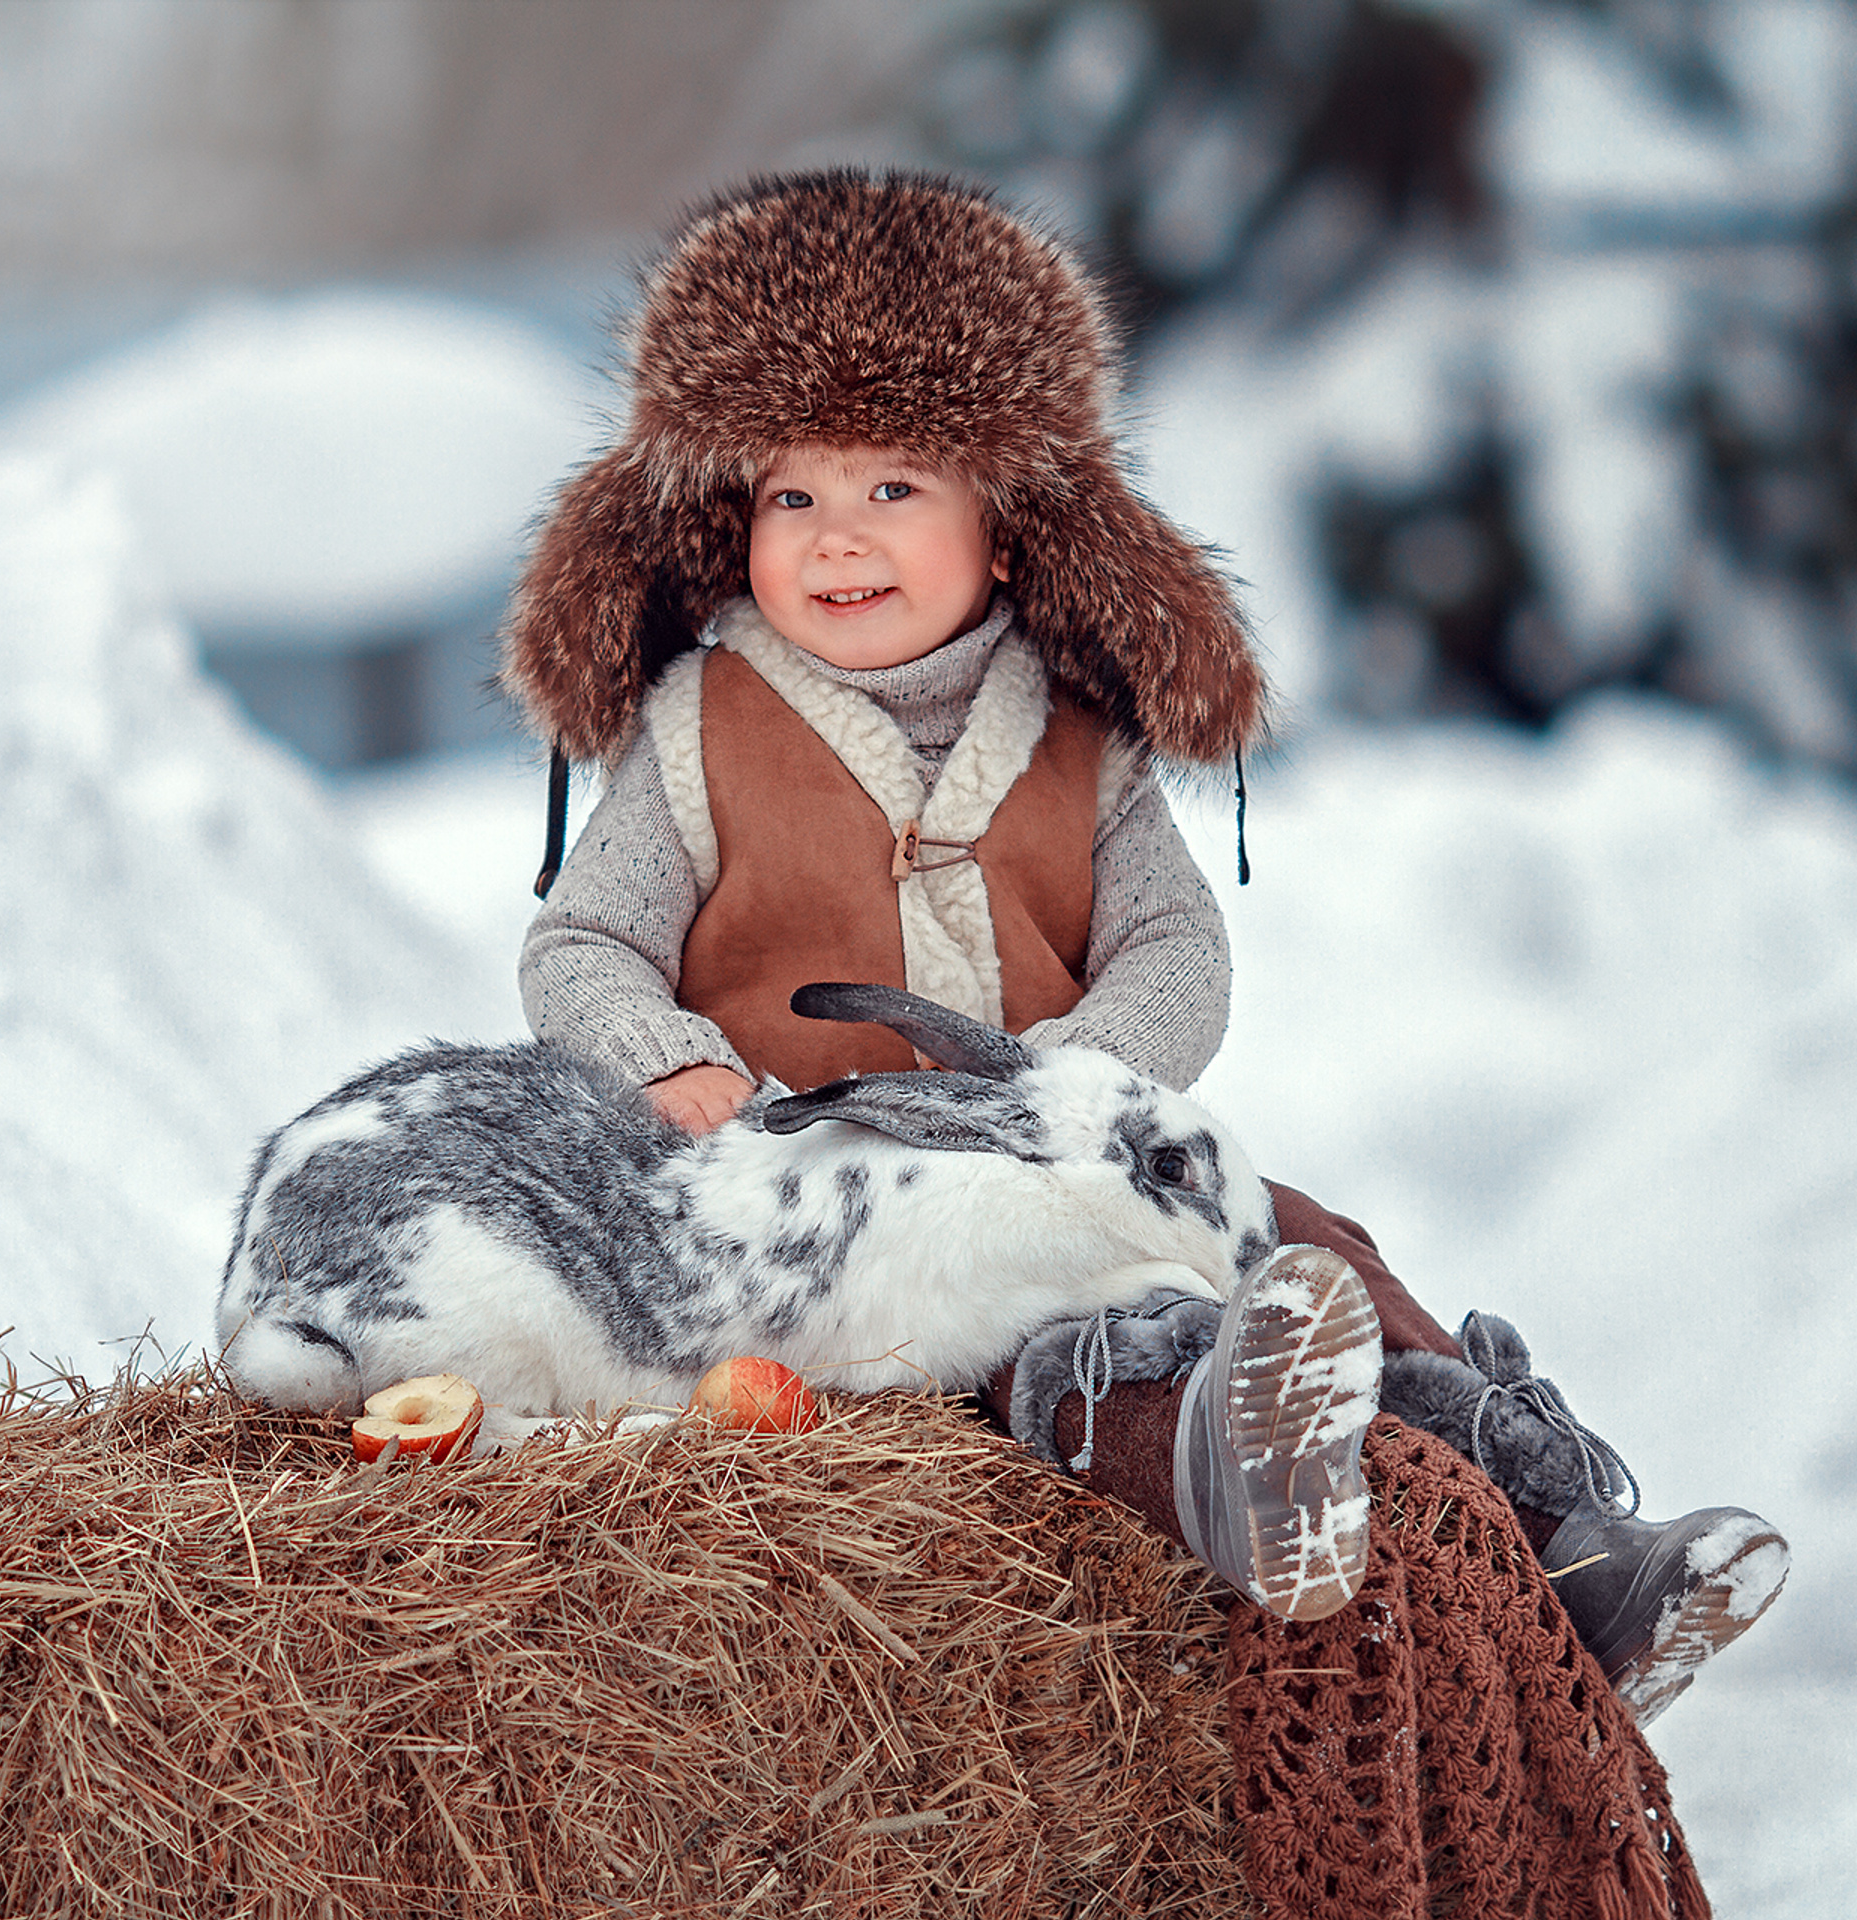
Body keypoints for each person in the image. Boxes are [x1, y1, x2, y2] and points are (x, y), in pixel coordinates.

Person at [501, 168, 1788, 1722]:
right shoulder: (698, 731)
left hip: (1071, 1130)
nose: (838, 538)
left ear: (1009, 516)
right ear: (730, 512)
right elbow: (581, 948)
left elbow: (1181, 942)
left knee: (1310, 1242)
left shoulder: (1076, 735)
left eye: (894, 489)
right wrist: (676, 1067)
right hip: (824, 1194)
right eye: (794, 495)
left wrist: (1086, 1078)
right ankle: (1213, 1478)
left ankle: (1571, 1549)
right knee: (1052, 1324)